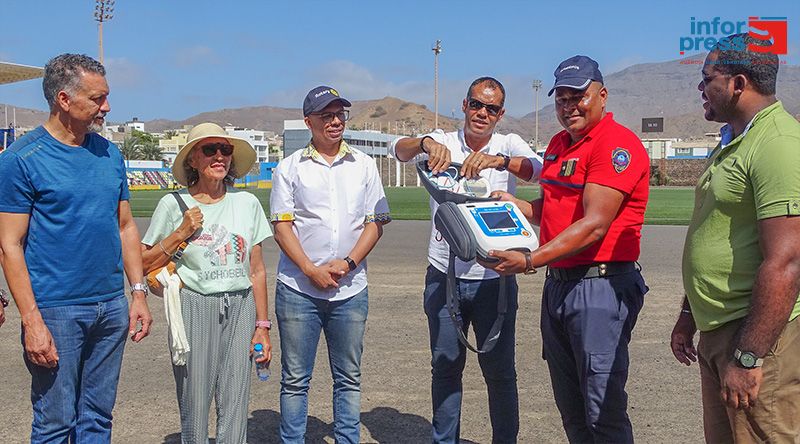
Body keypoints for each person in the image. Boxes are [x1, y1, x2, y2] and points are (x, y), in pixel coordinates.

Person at [481, 56, 649, 443]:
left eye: (579, 96)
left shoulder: (615, 144)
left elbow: (593, 226)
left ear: (602, 96)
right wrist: (512, 205)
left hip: (599, 287)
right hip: (561, 284)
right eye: (562, 98)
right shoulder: (560, 144)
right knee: (571, 408)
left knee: (602, 409)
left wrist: (529, 259)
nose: (569, 106)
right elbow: (553, 210)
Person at [0, 53, 153, 442]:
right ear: (64, 100)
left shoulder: (109, 154)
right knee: (55, 423)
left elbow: (125, 227)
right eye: (97, 98)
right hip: (56, 310)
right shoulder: (22, 160)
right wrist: (32, 322)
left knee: (98, 419)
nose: (107, 106)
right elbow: (10, 245)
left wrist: (137, 293)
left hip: (111, 307)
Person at [391, 76, 541, 443]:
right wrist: (426, 142)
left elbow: (541, 168)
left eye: (491, 109)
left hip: (496, 278)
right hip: (445, 275)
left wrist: (500, 161)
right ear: (464, 105)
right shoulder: (442, 141)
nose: (482, 113)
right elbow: (399, 149)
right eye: (476, 104)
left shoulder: (508, 143)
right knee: (445, 368)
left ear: (500, 114)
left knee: (501, 372)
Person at [670, 34, 800, 442]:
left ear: (738, 84)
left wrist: (747, 357)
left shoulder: (777, 144)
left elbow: (788, 260)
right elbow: (717, 233)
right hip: (721, 332)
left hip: (756, 338)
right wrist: (689, 315)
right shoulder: (733, 140)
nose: (701, 89)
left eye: (707, 79)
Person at [270, 86, 390, 444]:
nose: (335, 121)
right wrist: (310, 269)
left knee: (349, 378)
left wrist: (349, 263)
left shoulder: (365, 165)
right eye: (326, 115)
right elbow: (281, 226)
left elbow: (376, 221)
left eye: (340, 114)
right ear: (309, 122)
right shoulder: (290, 168)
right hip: (298, 291)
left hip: (351, 289)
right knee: (295, 380)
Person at [141, 122, 272, 444]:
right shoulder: (173, 205)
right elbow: (142, 264)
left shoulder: (247, 204)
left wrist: (263, 325)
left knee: (236, 397)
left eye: (225, 150)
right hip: (194, 304)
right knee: (194, 397)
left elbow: (256, 270)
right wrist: (182, 232)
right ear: (192, 160)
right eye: (209, 150)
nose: (219, 156)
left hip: (241, 305)